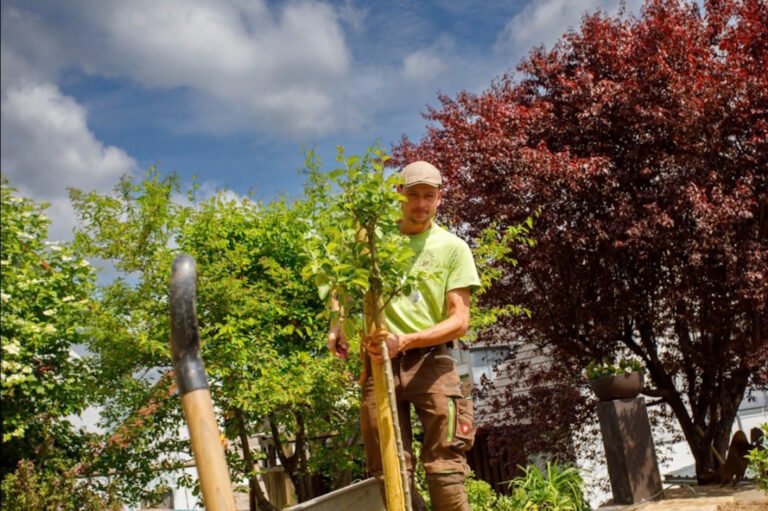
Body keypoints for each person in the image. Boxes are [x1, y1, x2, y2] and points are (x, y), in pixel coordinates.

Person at [328, 161, 481, 510]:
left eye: (429, 196)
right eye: (413, 195)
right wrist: (337, 325)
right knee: (387, 464)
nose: (421, 204)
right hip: (378, 365)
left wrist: (407, 341)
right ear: (398, 195)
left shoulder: (452, 248)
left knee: (446, 458)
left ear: (440, 199)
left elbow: (460, 321)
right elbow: (342, 285)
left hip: (431, 361)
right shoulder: (370, 243)